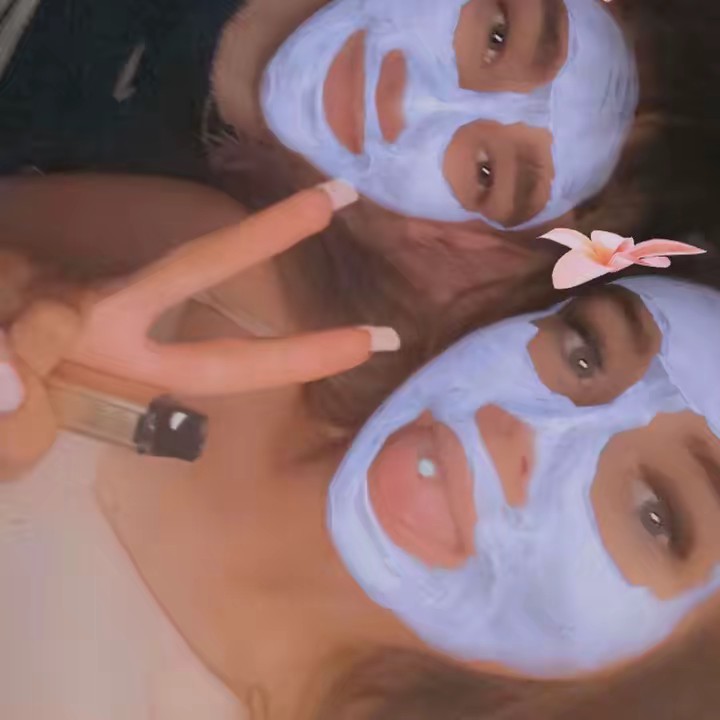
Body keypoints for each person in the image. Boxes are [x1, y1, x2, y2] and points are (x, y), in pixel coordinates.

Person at [3, 183, 720, 719]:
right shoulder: (216, 287)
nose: (525, 429)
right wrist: (21, 296)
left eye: (654, 513)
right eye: (586, 352)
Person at [2, 0, 720, 301]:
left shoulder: (122, 240)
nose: (408, 99)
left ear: (460, 237)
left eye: (485, 172)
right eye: (497, 36)